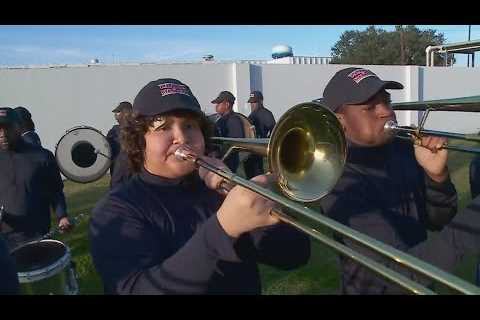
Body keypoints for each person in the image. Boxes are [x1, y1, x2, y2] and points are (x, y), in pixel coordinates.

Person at [88, 78, 310, 295]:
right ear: (139, 141)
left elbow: (295, 255)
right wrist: (223, 229)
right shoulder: (116, 209)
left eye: (189, 126)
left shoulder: (217, 191)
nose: (181, 137)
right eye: (163, 127)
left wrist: (246, 198)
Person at [317, 68, 458, 294]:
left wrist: (437, 177)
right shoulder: (337, 177)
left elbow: (438, 221)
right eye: (370, 107)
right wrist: (470, 228)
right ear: (339, 120)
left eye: (387, 102)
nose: (386, 112)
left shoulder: (404, 148)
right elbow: (392, 271)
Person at [0, 107, 72, 250]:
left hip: (38, 235)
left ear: (19, 127)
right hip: (4, 241)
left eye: (7, 127)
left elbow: (56, 191)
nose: (2, 134)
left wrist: (62, 216)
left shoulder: (42, 157)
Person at [244, 91, 276, 179]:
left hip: (259, 149)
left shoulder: (267, 114)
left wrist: (267, 145)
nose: (252, 105)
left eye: (254, 102)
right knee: (250, 174)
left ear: (261, 101)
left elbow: (274, 131)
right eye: (251, 103)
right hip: (249, 149)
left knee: (257, 174)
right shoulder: (252, 115)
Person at [211, 91, 245, 172]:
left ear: (227, 105)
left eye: (219, 103)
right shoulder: (221, 119)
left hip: (228, 162)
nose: (216, 106)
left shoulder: (233, 120)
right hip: (221, 160)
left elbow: (236, 142)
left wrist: (219, 153)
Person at [106, 101, 133, 189]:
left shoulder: (139, 130)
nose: (116, 116)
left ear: (126, 113)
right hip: (118, 176)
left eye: (118, 112)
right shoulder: (113, 132)